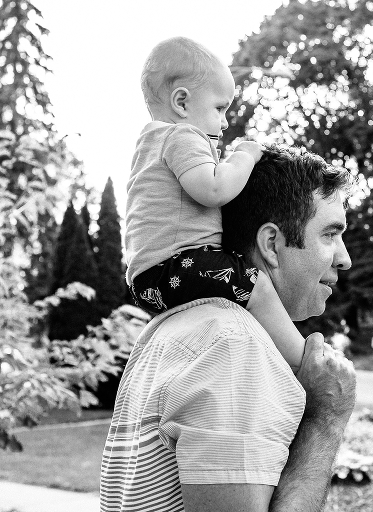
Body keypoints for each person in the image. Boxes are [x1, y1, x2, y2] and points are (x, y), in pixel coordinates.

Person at [101, 144, 356, 512]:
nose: (345, 258)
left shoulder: (171, 325)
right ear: (272, 244)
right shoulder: (235, 347)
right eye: (330, 235)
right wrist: (326, 418)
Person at [124, 36, 305, 372]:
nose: (223, 122)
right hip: (177, 266)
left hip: (148, 281)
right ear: (181, 102)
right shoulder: (180, 136)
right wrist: (244, 156)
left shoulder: (148, 144)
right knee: (256, 285)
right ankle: (303, 360)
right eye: (220, 108)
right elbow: (214, 189)